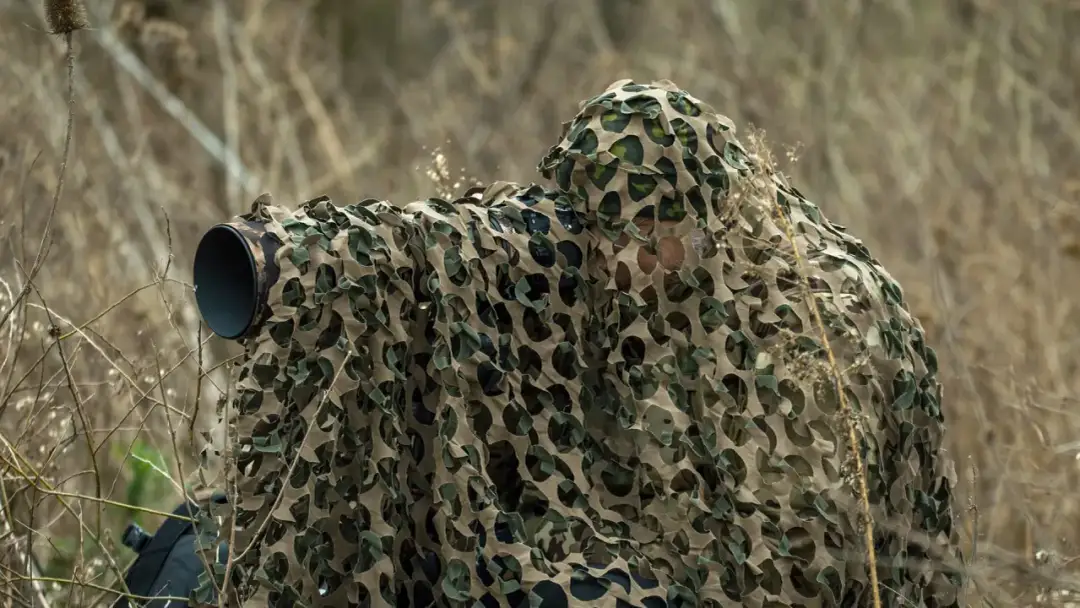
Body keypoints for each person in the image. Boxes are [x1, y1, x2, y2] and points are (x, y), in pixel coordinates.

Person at [187, 80, 964, 607]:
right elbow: (475, 258)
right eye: (604, 235)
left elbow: (799, 567)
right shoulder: (618, 267)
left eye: (651, 238)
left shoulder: (809, 320)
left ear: (710, 221)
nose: (621, 266)